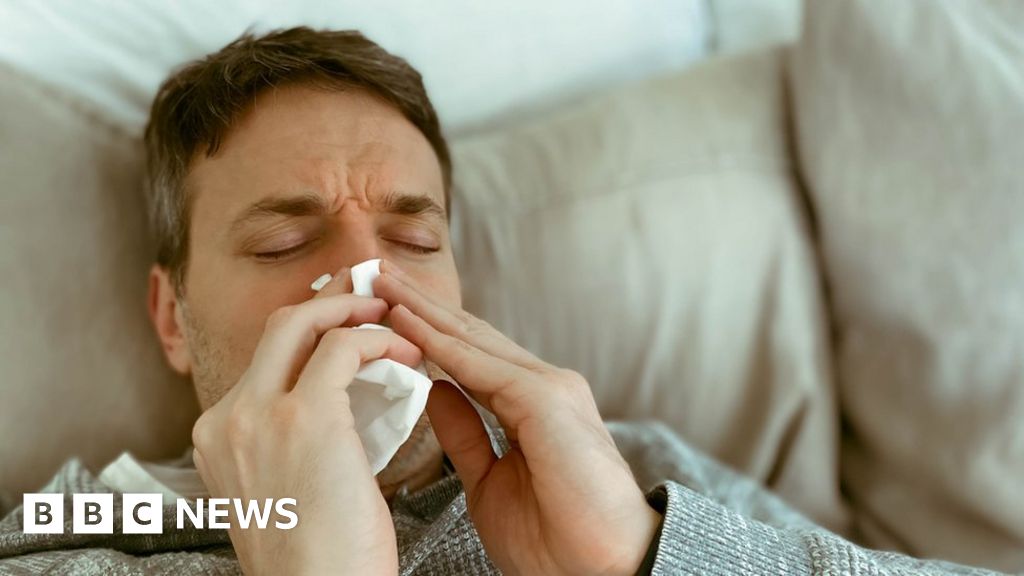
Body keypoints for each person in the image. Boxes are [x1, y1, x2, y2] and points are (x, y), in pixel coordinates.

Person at [0, 27, 1006, 575]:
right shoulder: (76, 540)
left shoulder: (628, 473)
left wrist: (643, 556)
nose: (367, 281)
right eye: (284, 240)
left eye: (414, 238)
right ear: (172, 317)